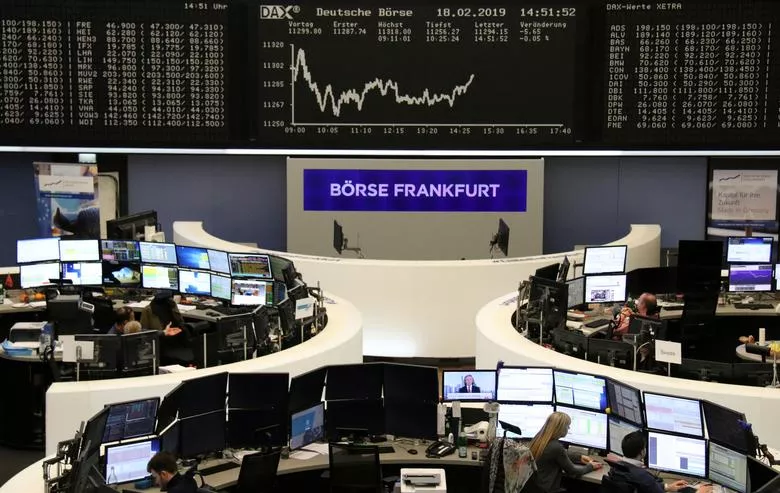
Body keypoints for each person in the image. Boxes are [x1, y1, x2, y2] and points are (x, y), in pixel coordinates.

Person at [601, 431, 712, 493]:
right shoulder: (642, 476)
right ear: (642, 452)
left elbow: (646, 487)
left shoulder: (615, 468)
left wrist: (667, 487)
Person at [529, 411, 602, 492]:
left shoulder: (538, 439)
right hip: (547, 490)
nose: (569, 428)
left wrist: (579, 457)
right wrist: (591, 466)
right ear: (561, 428)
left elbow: (557, 454)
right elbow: (573, 471)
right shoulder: (556, 447)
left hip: (535, 488)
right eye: (567, 426)